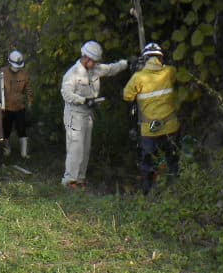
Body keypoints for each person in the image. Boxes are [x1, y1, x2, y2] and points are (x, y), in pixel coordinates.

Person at [59, 40, 128, 188]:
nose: (96, 64)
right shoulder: (72, 74)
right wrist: (84, 100)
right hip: (74, 114)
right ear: (86, 58)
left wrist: (126, 63)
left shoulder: (95, 69)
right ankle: (69, 181)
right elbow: (66, 94)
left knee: (85, 148)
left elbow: (110, 69)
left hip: (87, 114)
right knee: (75, 148)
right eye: (94, 61)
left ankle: (80, 179)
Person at [122, 41, 181, 193]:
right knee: (173, 159)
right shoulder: (170, 71)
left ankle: (148, 192)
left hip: (149, 130)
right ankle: (178, 189)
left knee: (148, 161)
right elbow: (175, 77)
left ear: (144, 59)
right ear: (161, 59)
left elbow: (127, 96)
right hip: (170, 126)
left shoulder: (138, 77)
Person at [1, 49, 34, 159]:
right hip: (6, 107)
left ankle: (24, 153)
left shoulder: (25, 74)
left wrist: (30, 102)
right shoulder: (2, 73)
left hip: (20, 107)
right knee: (6, 129)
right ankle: (6, 150)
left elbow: (29, 89)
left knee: (22, 129)